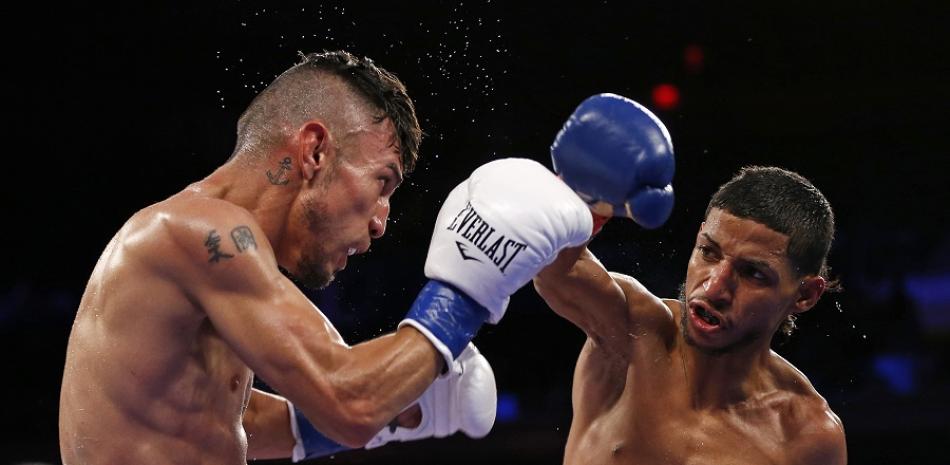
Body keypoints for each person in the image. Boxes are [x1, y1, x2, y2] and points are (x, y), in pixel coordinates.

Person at [58, 50, 594, 464]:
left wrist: (404, 415)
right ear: (316, 150)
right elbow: (348, 400)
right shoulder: (201, 233)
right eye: (382, 182)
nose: (383, 221)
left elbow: (216, 417)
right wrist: (466, 292)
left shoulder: (218, 260)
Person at [534, 94, 848, 464]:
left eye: (752, 273)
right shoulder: (634, 331)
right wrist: (587, 200)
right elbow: (553, 268)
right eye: (709, 252)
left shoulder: (807, 436)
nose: (714, 288)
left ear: (806, 295)